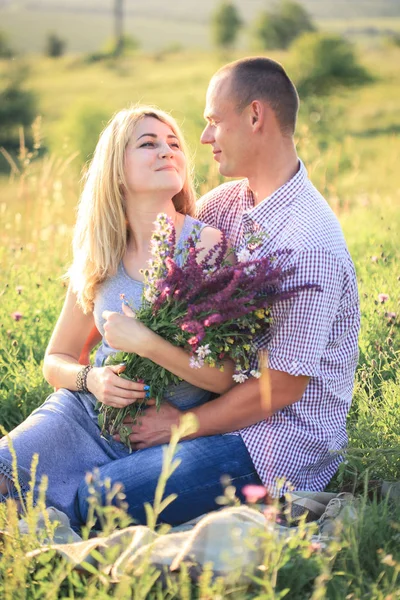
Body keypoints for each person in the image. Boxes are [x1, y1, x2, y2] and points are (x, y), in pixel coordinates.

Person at [76, 57, 360, 521]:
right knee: (74, 461)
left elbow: (283, 387)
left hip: (273, 440)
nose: (204, 138)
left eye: (213, 122)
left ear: (254, 116)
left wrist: (181, 425)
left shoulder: (310, 242)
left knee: (101, 499)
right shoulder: (226, 204)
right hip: (211, 399)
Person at [0, 106, 254, 530]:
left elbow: (223, 376)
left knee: (88, 508)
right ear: (117, 170)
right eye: (148, 143)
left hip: (159, 432)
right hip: (82, 416)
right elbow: (57, 358)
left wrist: (145, 342)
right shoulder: (102, 254)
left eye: (173, 143)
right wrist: (92, 380)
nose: (167, 151)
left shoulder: (205, 247)